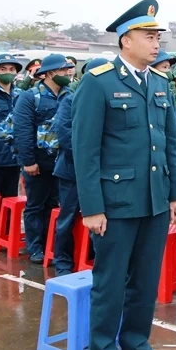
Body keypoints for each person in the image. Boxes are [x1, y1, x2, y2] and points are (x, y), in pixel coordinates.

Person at [72, 0, 176, 350]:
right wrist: (92, 208)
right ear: (126, 40)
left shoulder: (161, 83)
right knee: (110, 284)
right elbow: (85, 151)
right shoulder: (99, 82)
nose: (156, 43)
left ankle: (136, 344)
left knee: (145, 283)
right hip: (116, 204)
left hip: (154, 201)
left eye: (158, 37)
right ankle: (103, 347)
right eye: (149, 36)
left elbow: (170, 144)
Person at [14, 53, 75, 263]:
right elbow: (23, 130)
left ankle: (51, 244)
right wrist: (28, 161)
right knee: (35, 204)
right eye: (62, 70)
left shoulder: (70, 95)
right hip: (38, 161)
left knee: (54, 204)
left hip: (61, 161)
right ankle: (35, 246)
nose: (67, 73)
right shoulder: (30, 97)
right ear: (49, 73)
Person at [51, 58, 108, 276]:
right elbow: (65, 134)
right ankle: (62, 263)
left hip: (102, 172)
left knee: (102, 219)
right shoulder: (71, 99)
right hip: (72, 172)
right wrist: (89, 158)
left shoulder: (110, 99)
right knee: (67, 218)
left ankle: (93, 259)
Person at [0, 54, 22, 244]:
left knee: (11, 200)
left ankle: (6, 235)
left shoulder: (21, 96)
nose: (8, 72)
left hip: (14, 158)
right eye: (3, 69)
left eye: (11, 69)